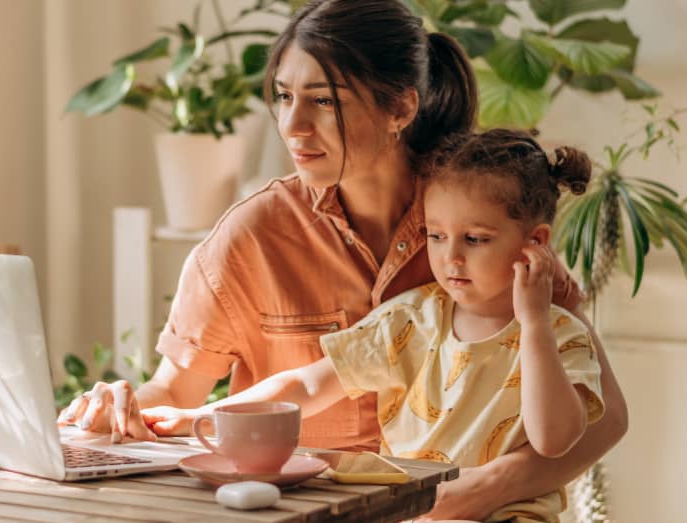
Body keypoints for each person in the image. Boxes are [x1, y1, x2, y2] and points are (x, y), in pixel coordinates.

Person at [59, 1, 628, 519]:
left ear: (401, 107)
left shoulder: (481, 215)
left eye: (323, 100)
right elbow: (178, 396)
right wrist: (118, 410)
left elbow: (605, 414)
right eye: (283, 96)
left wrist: (482, 489)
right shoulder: (252, 235)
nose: (292, 125)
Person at [140, 129, 603, 523]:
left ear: (535, 244)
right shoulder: (410, 319)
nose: (451, 257)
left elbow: (554, 439)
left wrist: (535, 323)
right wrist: (203, 418)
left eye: (475, 239)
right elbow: (305, 385)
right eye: (436, 236)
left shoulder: (561, 334)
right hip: (411, 511)